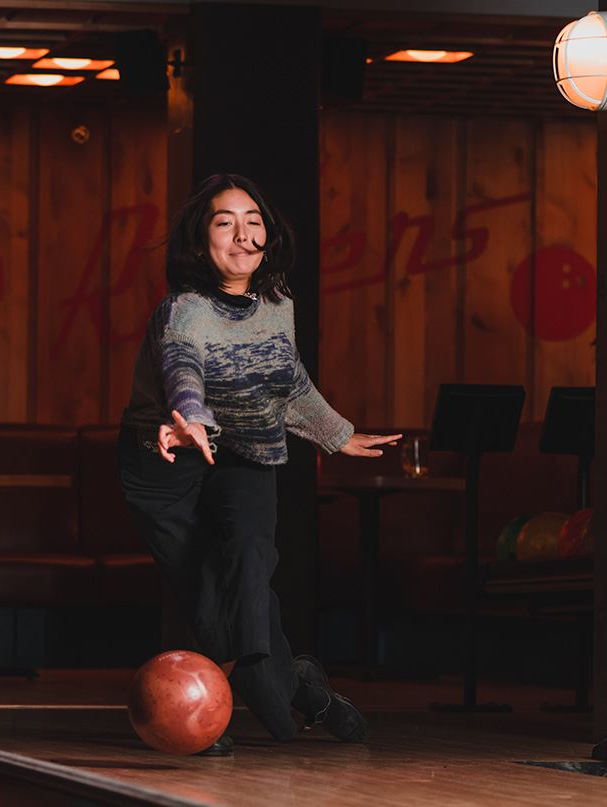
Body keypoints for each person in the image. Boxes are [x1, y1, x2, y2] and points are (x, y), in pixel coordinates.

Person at [118, 173, 400, 755]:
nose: (243, 235)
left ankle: (259, 701)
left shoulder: (276, 303)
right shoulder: (184, 311)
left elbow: (286, 380)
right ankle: (300, 691)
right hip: (165, 460)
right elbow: (181, 364)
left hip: (245, 447)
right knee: (206, 590)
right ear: (201, 243)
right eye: (225, 223)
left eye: (254, 222)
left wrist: (335, 435)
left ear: (267, 237)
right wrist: (188, 415)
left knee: (249, 563)